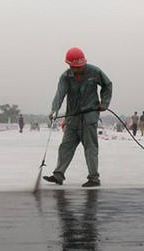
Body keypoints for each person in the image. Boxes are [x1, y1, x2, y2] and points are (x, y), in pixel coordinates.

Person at [43, 47, 112, 188]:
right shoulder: (65, 77)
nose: (77, 69)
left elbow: (107, 85)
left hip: (89, 117)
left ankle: (94, 178)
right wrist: (54, 110)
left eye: (80, 66)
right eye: (74, 67)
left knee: (90, 148)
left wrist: (104, 103)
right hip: (73, 119)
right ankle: (58, 175)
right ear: (69, 65)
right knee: (65, 147)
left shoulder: (94, 72)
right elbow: (59, 94)